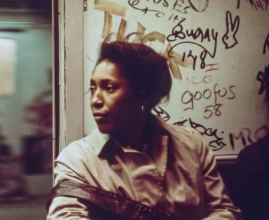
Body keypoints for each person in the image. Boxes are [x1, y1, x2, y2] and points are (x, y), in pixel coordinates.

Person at [46, 40, 242, 220]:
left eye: (109, 87)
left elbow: (225, 211)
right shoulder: (77, 159)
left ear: (143, 93)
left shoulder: (191, 144)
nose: (96, 100)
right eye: (93, 87)